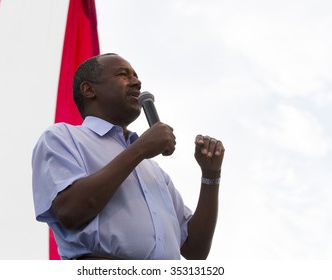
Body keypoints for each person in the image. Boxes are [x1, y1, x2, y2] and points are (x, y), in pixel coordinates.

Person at [32, 53, 225, 260]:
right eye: (123, 74)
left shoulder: (153, 171)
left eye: (136, 75)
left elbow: (195, 250)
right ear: (89, 90)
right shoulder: (63, 137)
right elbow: (70, 211)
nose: (137, 82)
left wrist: (211, 175)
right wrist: (140, 149)